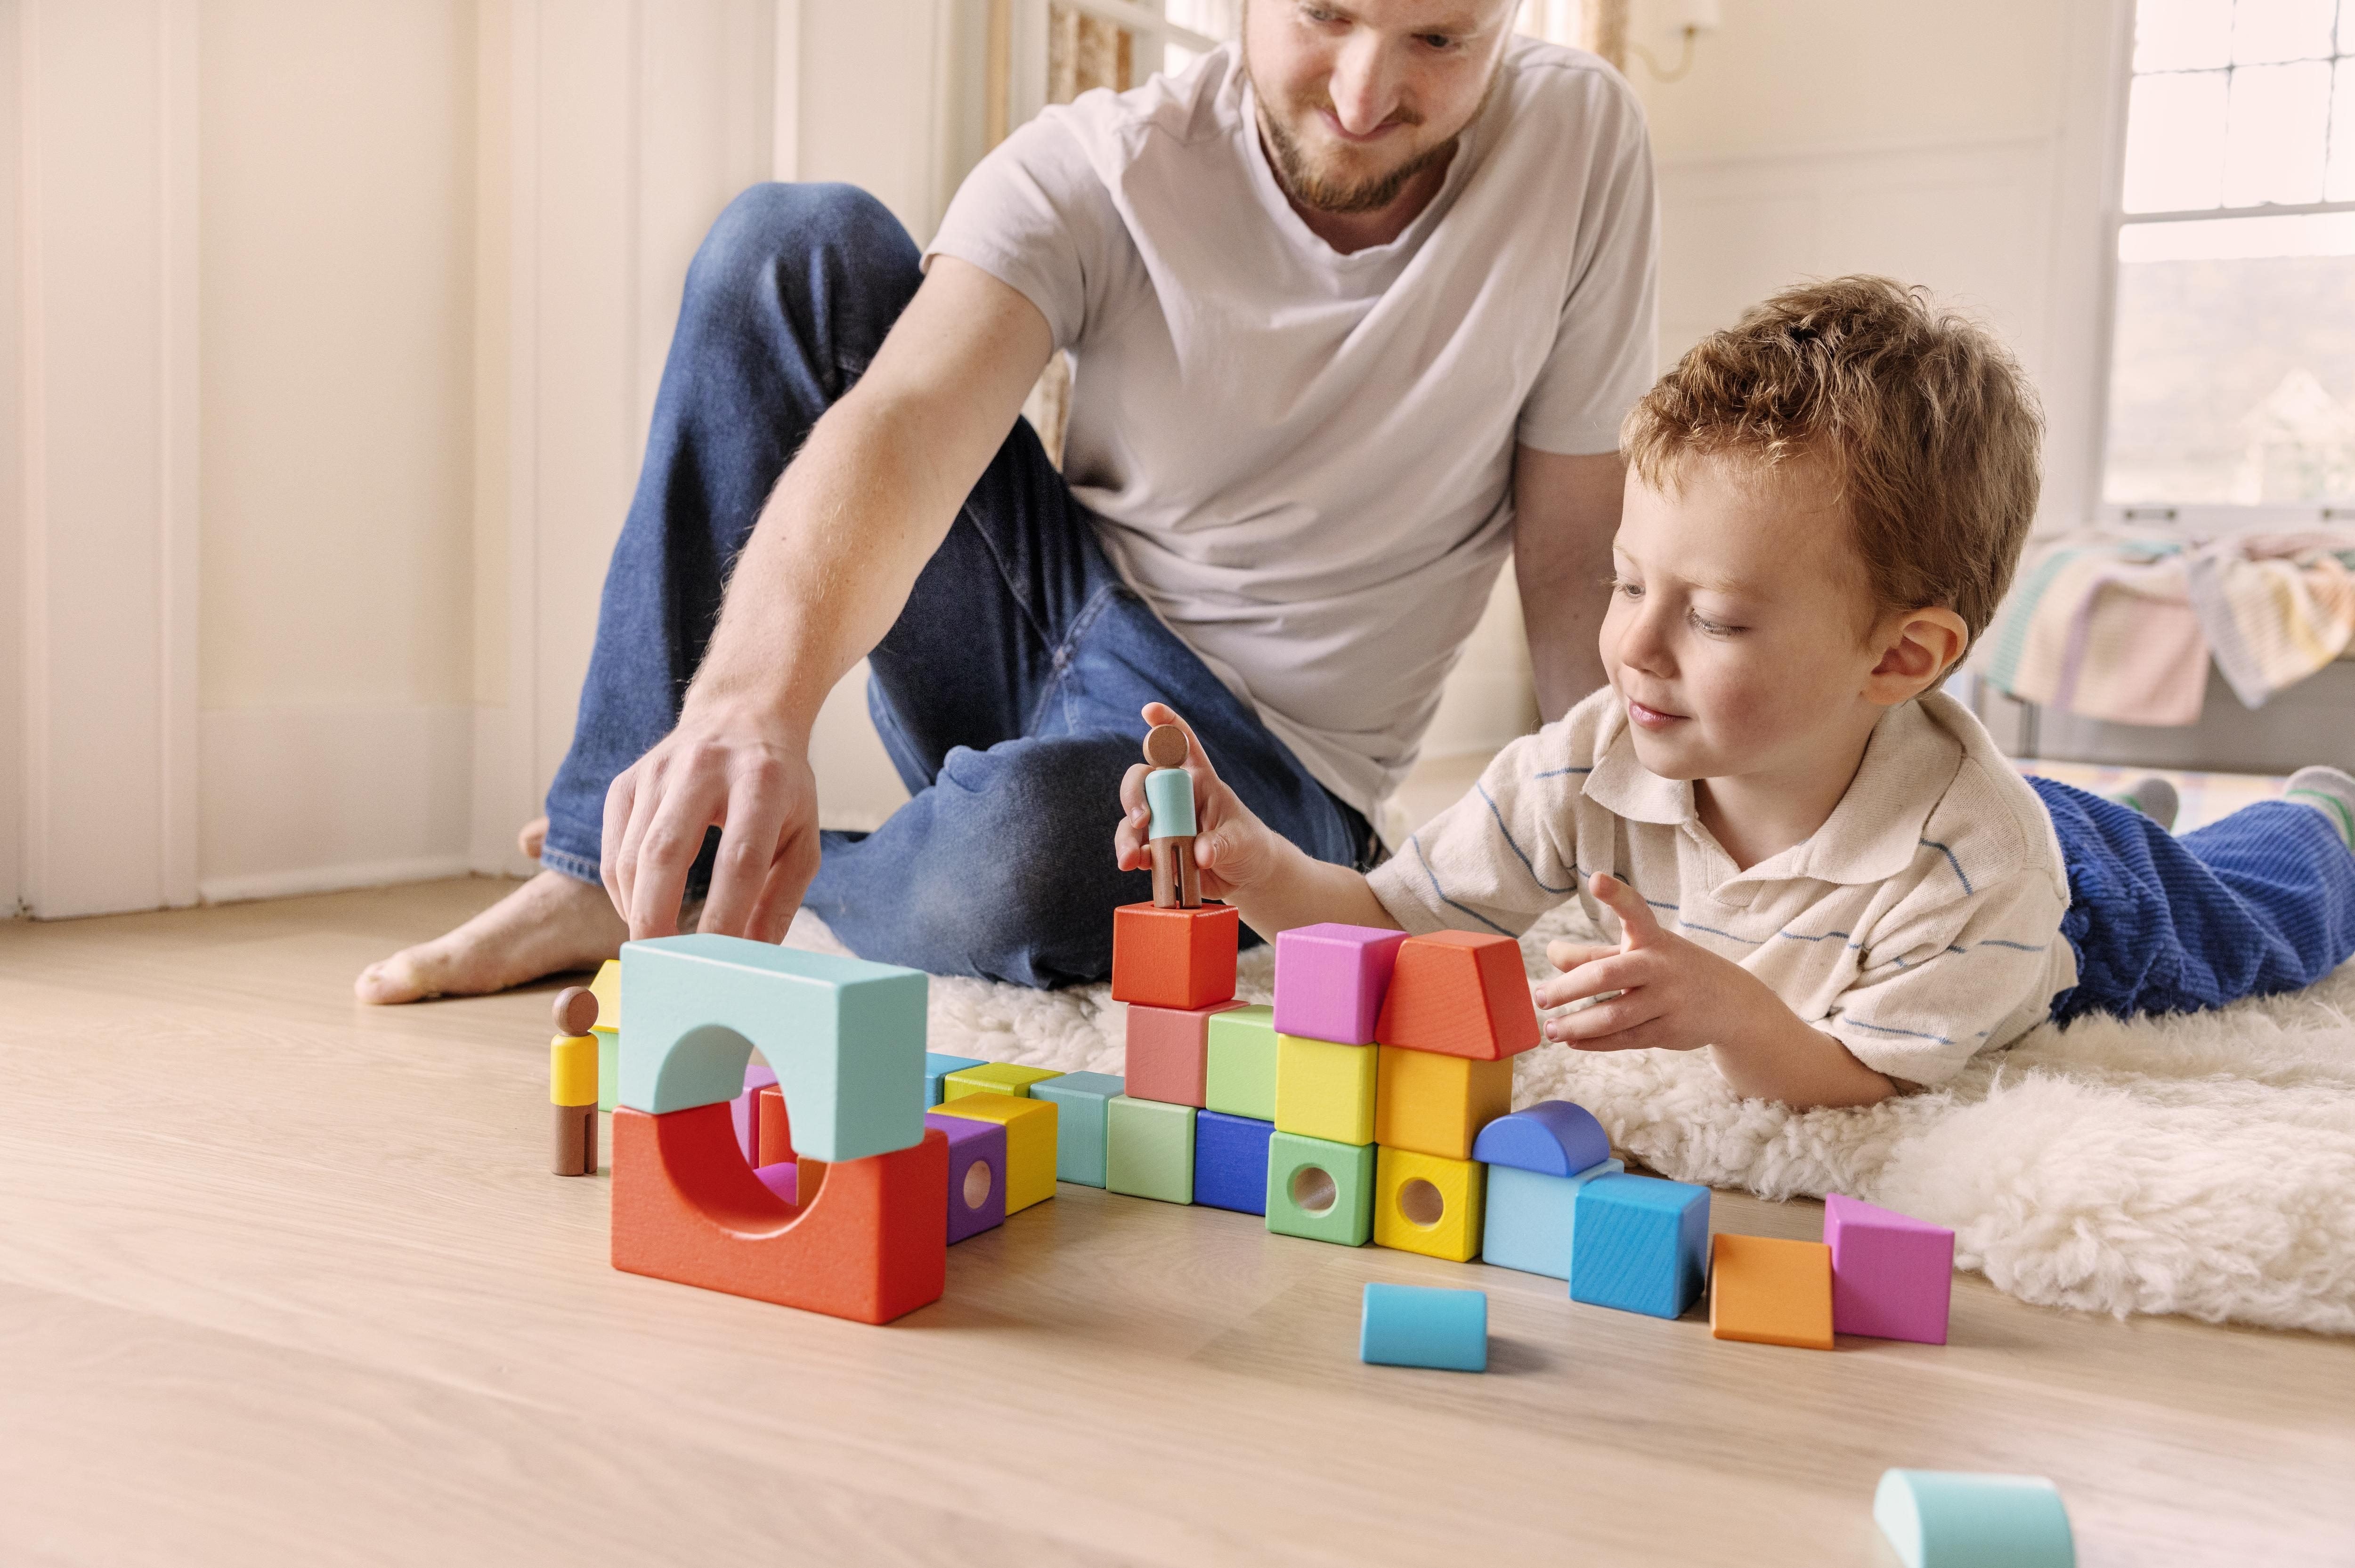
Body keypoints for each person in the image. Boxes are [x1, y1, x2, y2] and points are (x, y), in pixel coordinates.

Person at [357, 0, 1657, 1003]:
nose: (1371, 93)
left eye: (1441, 36)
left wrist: (1625, 850)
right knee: (785, 248)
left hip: (1277, 769)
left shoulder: (1580, 147)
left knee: (1032, 857)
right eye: (1325, 12)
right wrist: (755, 705)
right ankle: (604, 857)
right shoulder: (1107, 164)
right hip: (1052, 613)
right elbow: (908, 420)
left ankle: (759, 873)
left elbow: (1574, 556)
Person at [1113, 276, 2355, 1109]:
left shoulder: (1983, 869)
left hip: (2086, 909)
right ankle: (2119, 802)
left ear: (1902, 657)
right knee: (2063, 818)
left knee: (2262, 922)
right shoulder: (1586, 759)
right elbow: (1396, 920)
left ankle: (2319, 815)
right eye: (1625, 582)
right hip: (1908, 779)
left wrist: (1730, 1012)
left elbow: (1864, 1080)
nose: (1633, 646)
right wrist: (1255, 869)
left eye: (1708, 616)